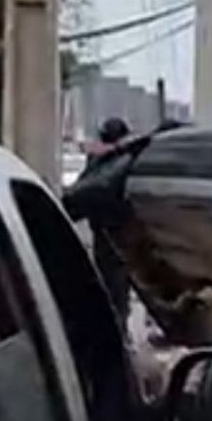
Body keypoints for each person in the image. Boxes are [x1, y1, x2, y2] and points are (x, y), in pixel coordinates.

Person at [85, 117, 133, 331]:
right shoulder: (124, 160)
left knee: (111, 286)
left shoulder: (99, 161)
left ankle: (115, 329)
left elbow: (83, 191)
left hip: (105, 233)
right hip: (117, 234)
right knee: (116, 289)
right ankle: (118, 330)